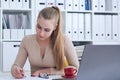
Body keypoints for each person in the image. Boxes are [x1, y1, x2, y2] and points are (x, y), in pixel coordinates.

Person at [11, 6, 79, 79]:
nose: (41, 33)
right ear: (36, 22)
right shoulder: (27, 40)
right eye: (39, 27)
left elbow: (76, 69)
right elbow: (16, 65)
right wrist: (15, 70)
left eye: (46, 30)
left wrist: (47, 71)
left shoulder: (64, 40)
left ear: (55, 27)